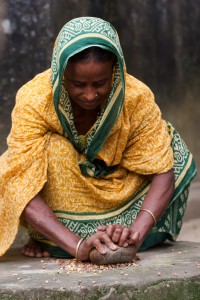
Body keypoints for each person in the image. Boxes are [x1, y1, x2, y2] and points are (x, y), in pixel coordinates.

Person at [0, 17, 197, 261]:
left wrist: (134, 234)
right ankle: (58, 239)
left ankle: (107, 239)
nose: (91, 95)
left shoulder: (136, 98)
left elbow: (162, 172)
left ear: (116, 70)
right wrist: (78, 246)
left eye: (100, 83)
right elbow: (20, 183)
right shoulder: (34, 99)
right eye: (78, 84)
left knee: (171, 147)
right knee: (18, 164)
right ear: (61, 73)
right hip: (68, 193)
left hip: (123, 196)